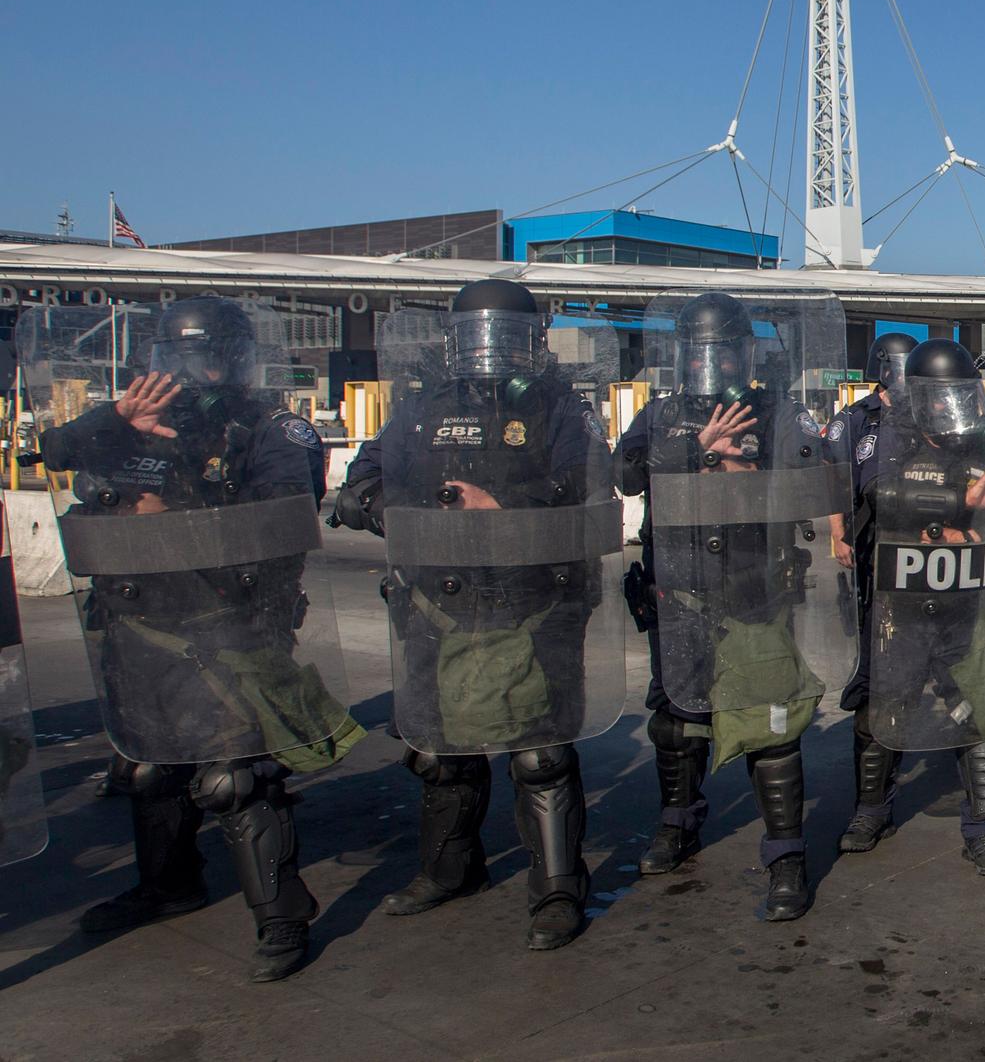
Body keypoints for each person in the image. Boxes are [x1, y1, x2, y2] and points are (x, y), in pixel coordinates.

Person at [44, 297, 361, 981]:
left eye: (206, 356)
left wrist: (170, 510)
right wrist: (117, 422)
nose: (192, 372)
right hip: (139, 625)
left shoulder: (270, 430)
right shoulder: (137, 422)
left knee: (233, 776)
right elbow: (54, 453)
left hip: (225, 628)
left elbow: (278, 532)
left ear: (237, 358)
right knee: (151, 765)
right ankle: (168, 884)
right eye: (178, 357)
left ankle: (280, 915)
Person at [332, 278, 616, 951]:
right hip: (441, 600)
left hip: (533, 598)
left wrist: (507, 515)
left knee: (540, 753)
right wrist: (401, 513)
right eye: (477, 335)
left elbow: (589, 493)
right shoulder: (421, 408)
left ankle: (555, 890)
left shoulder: (559, 411)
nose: (491, 350)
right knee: (440, 749)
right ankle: (449, 869)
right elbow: (359, 486)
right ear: (453, 341)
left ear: (532, 342)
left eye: (506, 336)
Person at [613, 293, 832, 920]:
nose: (715, 362)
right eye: (702, 351)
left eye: (725, 350)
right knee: (677, 721)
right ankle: (677, 825)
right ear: (684, 354)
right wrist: (697, 454)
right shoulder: (661, 414)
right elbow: (623, 473)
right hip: (680, 592)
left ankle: (786, 856)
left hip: (753, 591)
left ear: (746, 351)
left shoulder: (778, 411)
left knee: (771, 724)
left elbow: (814, 476)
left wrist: (749, 462)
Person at [858, 340, 985, 875]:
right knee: (885, 707)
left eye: (955, 396)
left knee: (981, 711)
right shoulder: (890, 438)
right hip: (904, 607)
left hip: (970, 605)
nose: (947, 407)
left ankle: (984, 830)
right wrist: (957, 506)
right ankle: (870, 812)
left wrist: (979, 528)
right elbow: (879, 494)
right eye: (936, 398)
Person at [827, 331, 916, 856]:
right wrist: (839, 532)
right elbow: (834, 475)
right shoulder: (856, 419)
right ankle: (871, 807)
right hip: (876, 565)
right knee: (877, 688)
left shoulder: (934, 414)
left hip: (933, 565)